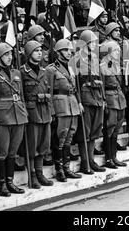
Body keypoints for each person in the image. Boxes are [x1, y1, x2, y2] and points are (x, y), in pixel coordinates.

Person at [0, 43, 28, 197]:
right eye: (6, 55)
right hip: (3, 117)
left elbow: (22, 96)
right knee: (3, 152)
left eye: (11, 54)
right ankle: (1, 184)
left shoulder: (16, 72)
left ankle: (11, 182)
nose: (10, 57)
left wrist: (24, 113)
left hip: (19, 115)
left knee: (13, 152)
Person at [46, 39, 83, 182]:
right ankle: (59, 169)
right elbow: (49, 90)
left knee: (69, 137)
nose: (69, 53)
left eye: (70, 51)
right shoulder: (51, 69)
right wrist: (51, 111)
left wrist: (79, 102)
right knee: (60, 138)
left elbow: (75, 87)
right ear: (58, 52)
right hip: (60, 105)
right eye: (66, 50)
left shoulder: (71, 67)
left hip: (72, 104)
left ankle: (67, 168)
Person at [20, 41, 54, 188]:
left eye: (40, 50)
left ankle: (40, 173)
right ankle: (32, 175)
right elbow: (21, 95)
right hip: (31, 111)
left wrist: (51, 111)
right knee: (31, 145)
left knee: (43, 144)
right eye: (36, 51)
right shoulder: (22, 72)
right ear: (28, 54)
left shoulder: (44, 71)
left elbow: (49, 92)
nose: (40, 53)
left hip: (45, 110)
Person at [74, 30, 106, 174]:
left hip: (97, 97)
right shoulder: (77, 59)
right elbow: (76, 84)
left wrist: (103, 98)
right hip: (86, 98)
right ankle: (85, 162)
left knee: (94, 131)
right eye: (92, 42)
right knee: (85, 132)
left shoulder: (95, 59)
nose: (95, 44)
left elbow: (101, 80)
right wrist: (79, 101)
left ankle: (91, 160)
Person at [99, 40, 127, 168]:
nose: (119, 52)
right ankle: (109, 158)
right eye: (116, 50)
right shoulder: (102, 67)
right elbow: (102, 86)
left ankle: (114, 157)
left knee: (117, 128)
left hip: (119, 98)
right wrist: (104, 100)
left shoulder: (116, 65)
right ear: (109, 53)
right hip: (110, 99)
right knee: (109, 128)